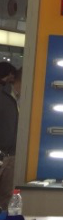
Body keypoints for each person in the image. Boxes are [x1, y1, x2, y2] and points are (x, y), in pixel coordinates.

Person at [0, 65, 20, 211]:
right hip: (6, 152)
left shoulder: (13, 98)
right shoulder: (5, 97)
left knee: (7, 198)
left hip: (11, 155)